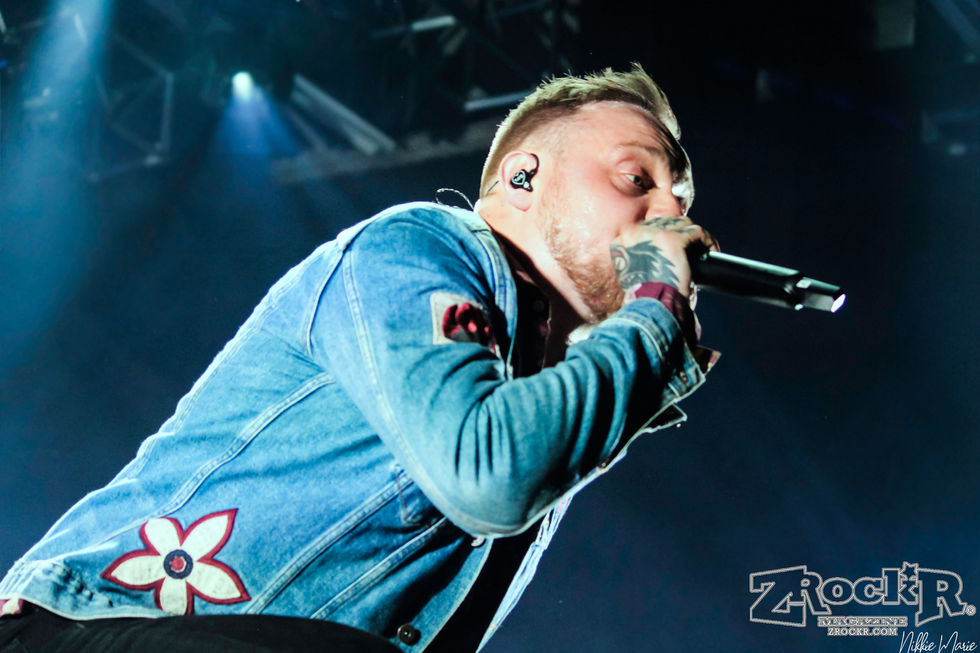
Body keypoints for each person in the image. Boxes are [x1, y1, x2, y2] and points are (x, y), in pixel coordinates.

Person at [0, 64, 718, 651]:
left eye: (680, 201)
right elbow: (489, 476)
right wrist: (654, 307)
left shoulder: (541, 383)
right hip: (88, 627)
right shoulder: (422, 244)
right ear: (523, 176)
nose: (671, 215)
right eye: (637, 179)